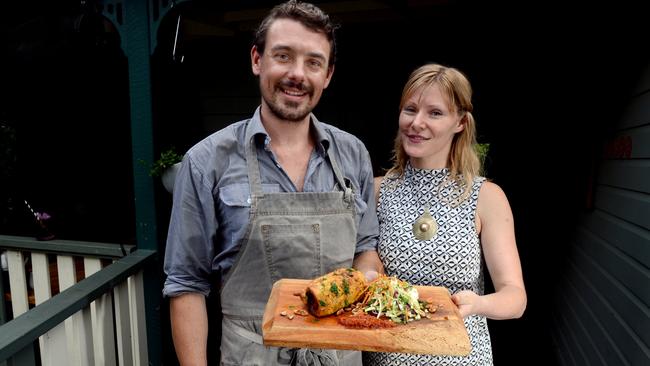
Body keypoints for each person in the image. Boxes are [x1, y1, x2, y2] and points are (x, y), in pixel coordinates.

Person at [162, 1, 383, 365]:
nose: (297, 74)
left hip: (339, 356)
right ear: (257, 60)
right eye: (283, 56)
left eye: (313, 62)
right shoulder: (206, 161)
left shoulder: (352, 153)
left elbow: (365, 248)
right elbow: (186, 285)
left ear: (327, 75)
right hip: (251, 356)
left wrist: (365, 281)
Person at [363, 63, 527, 366]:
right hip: (387, 356)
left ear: (460, 122)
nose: (417, 122)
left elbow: (515, 298)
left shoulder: (487, 197)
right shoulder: (376, 191)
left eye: (435, 113)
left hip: (460, 357)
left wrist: (478, 303)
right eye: (410, 109)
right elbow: (363, 262)